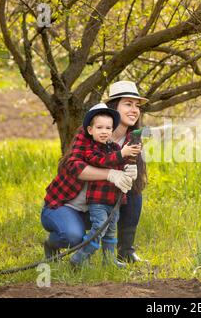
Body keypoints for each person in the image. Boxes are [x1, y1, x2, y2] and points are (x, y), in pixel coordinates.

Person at [41, 81, 148, 264]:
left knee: (135, 193)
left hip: (98, 204)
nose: (134, 110)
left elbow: (129, 181)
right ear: (114, 107)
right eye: (128, 104)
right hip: (68, 204)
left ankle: (125, 251)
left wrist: (131, 173)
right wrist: (110, 174)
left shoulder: (132, 139)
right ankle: (52, 244)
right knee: (72, 237)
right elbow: (74, 167)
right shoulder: (91, 131)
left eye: (136, 105)